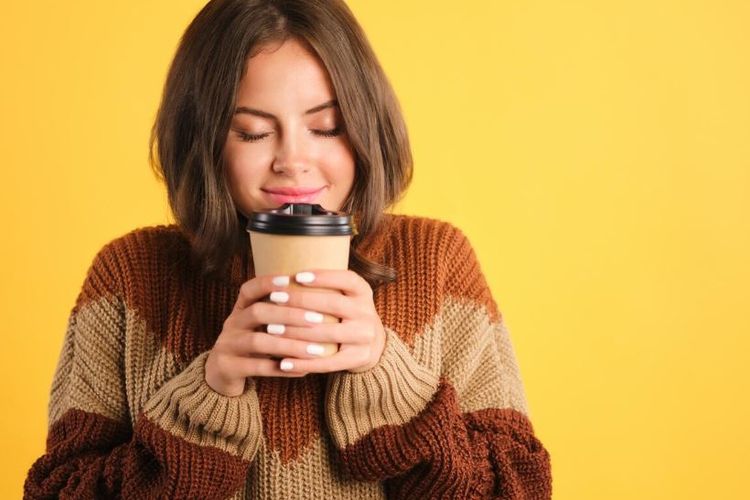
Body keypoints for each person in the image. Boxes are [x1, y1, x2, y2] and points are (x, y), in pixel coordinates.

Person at [24, 0, 552, 498]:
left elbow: (520, 487)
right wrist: (207, 395)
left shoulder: (437, 262)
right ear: (204, 140)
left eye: (327, 127)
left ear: (366, 127)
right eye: (253, 133)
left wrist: (387, 372)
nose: (293, 161)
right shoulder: (131, 277)